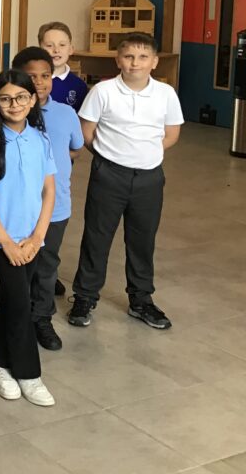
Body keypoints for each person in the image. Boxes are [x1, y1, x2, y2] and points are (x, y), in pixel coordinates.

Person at [68, 32, 183, 331]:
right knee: (97, 236)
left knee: (142, 240)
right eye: (129, 56)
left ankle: (141, 299)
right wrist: (110, 157)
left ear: (154, 62)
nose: (135, 63)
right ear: (118, 60)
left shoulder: (165, 94)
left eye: (143, 57)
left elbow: (171, 133)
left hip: (149, 177)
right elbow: (87, 132)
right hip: (109, 174)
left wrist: (144, 154)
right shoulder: (102, 91)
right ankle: (85, 296)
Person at [0, 70, 56, 407]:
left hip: (32, 238)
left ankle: (1, 363)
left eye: (21, 97)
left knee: (13, 302)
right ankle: (29, 374)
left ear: (32, 100)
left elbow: (49, 192)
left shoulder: (41, 139)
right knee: (20, 304)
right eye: (5, 98)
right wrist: (6, 242)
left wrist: (37, 237)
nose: (14, 104)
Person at [13, 48, 83, 350]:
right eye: (31, 77)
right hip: (16, 209)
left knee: (46, 266)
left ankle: (41, 317)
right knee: (16, 268)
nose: (39, 82)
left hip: (55, 207)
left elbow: (76, 148)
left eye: (45, 76)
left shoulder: (66, 114)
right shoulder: (9, 114)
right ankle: (10, 319)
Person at [39, 21, 88, 111]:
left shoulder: (79, 86)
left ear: (71, 49)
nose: (56, 50)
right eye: (49, 45)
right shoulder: (31, 82)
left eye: (62, 45)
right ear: (40, 49)